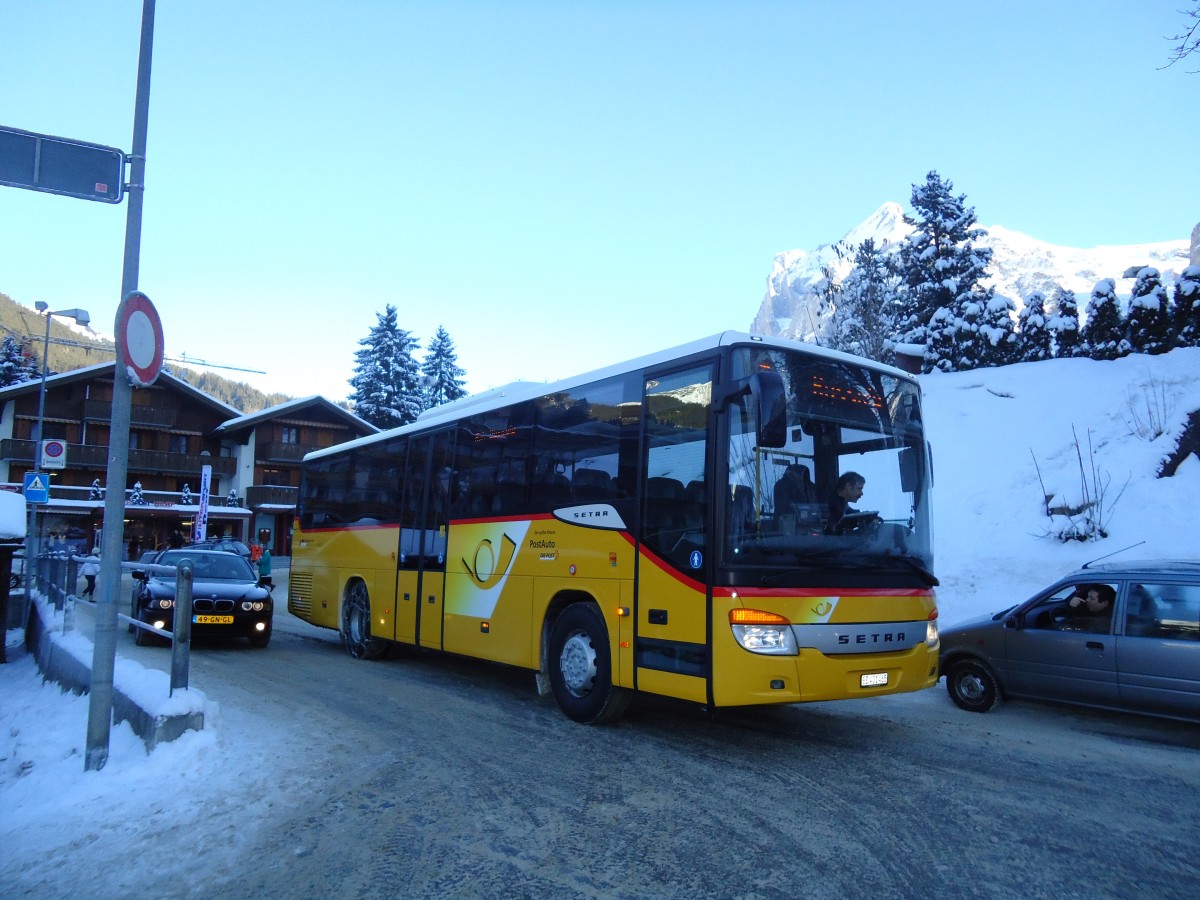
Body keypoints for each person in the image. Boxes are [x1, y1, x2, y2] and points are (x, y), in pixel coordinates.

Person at [773, 464, 819, 533]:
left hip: (810, 521)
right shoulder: (781, 485)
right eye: (801, 473)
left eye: (804, 474)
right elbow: (783, 506)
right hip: (789, 522)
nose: (802, 476)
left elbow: (817, 503)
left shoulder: (809, 486)